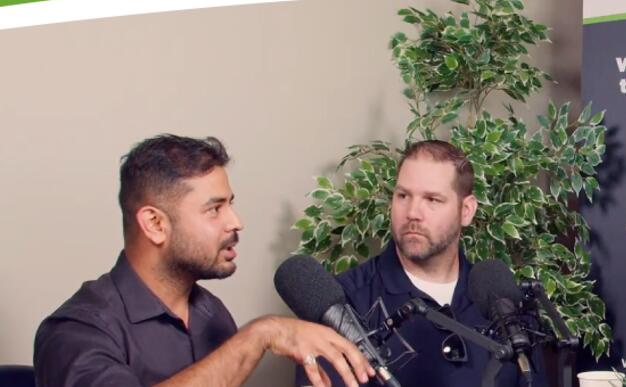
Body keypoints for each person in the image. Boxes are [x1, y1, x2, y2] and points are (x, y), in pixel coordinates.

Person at [33, 134, 375, 387]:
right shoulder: (76, 331)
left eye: (230, 204)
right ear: (155, 224)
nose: (235, 222)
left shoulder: (211, 314)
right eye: (214, 209)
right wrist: (260, 334)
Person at [319, 139, 546, 387]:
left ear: (466, 210)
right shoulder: (343, 305)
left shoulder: (502, 304)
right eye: (403, 195)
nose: (412, 213)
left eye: (432, 199)